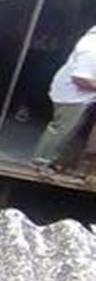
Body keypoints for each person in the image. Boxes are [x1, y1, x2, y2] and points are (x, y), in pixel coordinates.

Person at [32, 25, 96, 172]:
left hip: (82, 95)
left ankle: (58, 162)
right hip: (73, 96)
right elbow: (81, 79)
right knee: (61, 129)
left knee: (71, 130)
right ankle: (41, 162)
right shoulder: (92, 49)